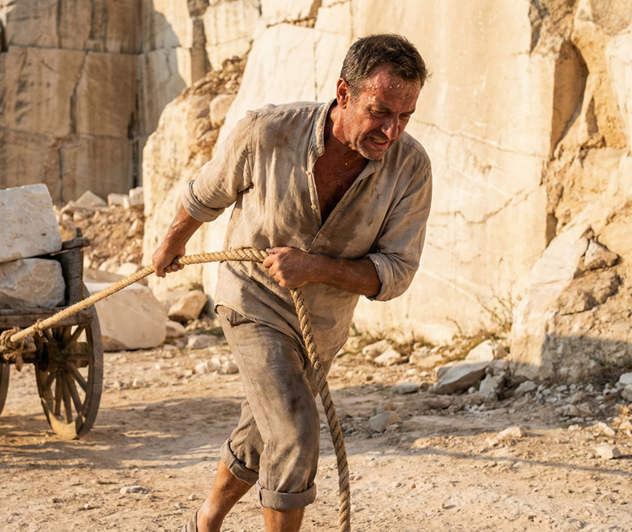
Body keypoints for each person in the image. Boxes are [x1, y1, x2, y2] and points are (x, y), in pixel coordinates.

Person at [152, 34, 432, 532]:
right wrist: (171, 243)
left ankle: (207, 519)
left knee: (264, 431)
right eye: (380, 111)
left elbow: (396, 272)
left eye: (405, 117)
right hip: (252, 299)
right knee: (296, 431)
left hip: (321, 325)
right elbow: (207, 193)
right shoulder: (268, 131)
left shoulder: (411, 168)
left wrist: (316, 267)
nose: (391, 131)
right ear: (344, 94)